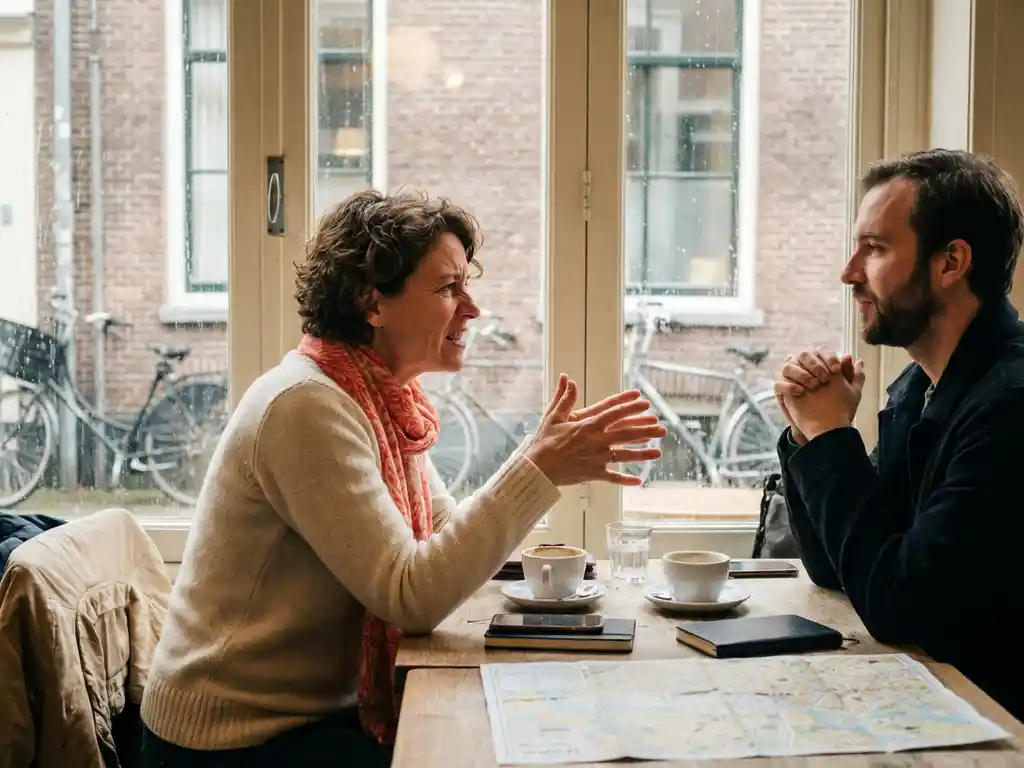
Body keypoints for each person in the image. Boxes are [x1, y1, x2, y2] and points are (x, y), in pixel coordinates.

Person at [139, 189, 666, 767]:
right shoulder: (305, 407)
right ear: (372, 300)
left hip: (306, 718)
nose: (472, 308)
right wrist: (538, 468)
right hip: (234, 739)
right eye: (447, 288)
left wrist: (538, 462)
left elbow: (440, 535)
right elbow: (410, 595)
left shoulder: (376, 396)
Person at [773, 148, 1024, 721]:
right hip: (938, 705)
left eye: (875, 248)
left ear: (951, 263)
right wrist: (810, 436)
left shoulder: (1012, 406)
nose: (849, 273)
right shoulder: (918, 387)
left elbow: (901, 605)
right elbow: (840, 569)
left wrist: (833, 435)